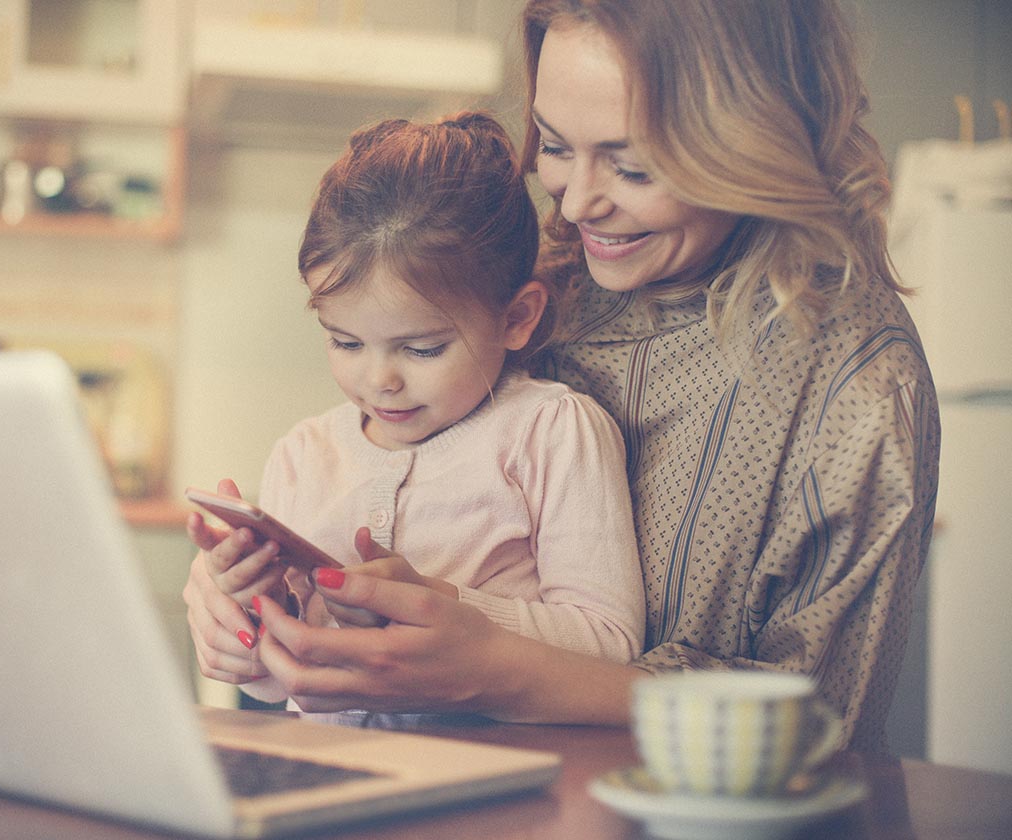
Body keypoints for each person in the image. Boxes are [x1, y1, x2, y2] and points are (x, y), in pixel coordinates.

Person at [183, 0, 940, 753]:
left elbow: (820, 730)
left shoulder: (856, 388)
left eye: (633, 165)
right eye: (552, 144)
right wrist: (228, 606)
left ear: (756, 137)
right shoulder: (535, 287)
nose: (575, 203)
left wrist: (498, 670)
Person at [185, 112, 645, 706]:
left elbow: (610, 644)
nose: (380, 381)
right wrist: (250, 623)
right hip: (334, 779)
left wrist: (440, 606)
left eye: (423, 348)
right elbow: (280, 690)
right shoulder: (302, 455)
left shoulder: (551, 431)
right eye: (345, 342)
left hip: (497, 784)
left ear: (516, 318)